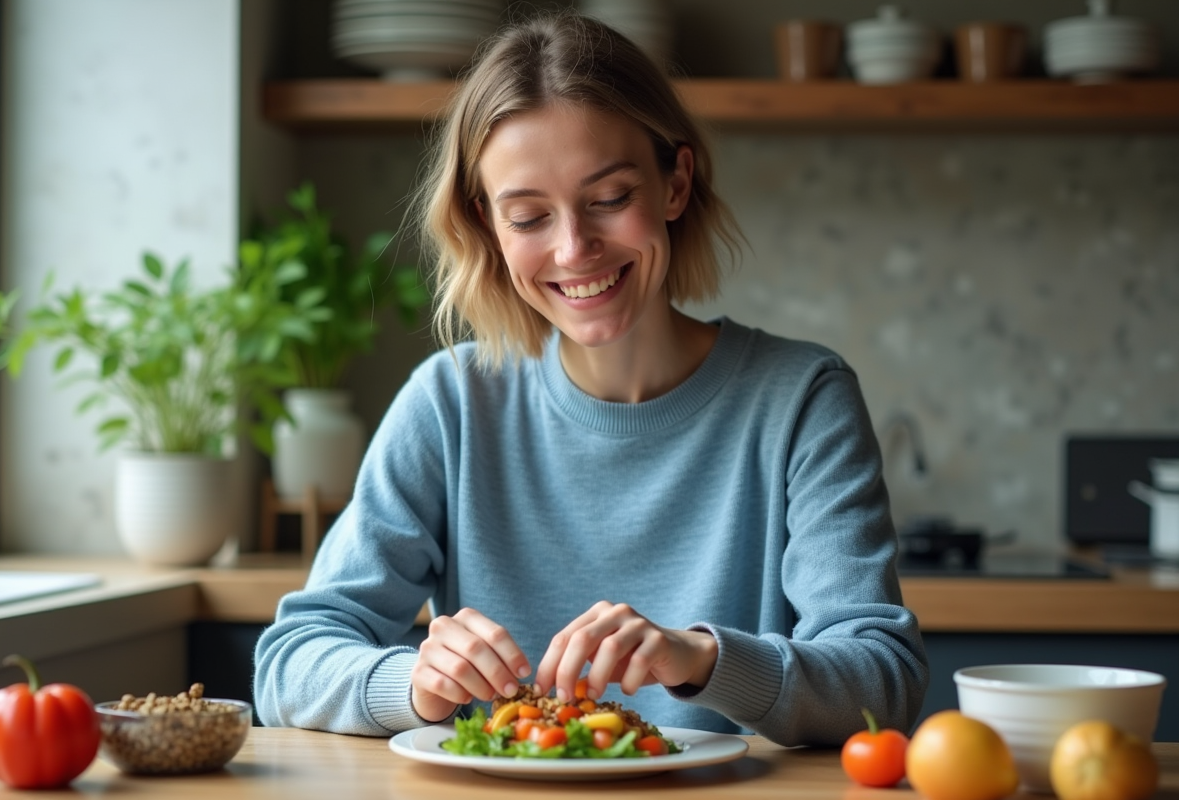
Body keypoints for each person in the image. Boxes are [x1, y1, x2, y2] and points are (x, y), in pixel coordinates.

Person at [253, 11, 928, 746]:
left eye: (609, 199)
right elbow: (288, 664)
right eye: (529, 215)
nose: (575, 249)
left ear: (674, 184)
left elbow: (881, 681)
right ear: (488, 226)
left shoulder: (802, 399)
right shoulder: (451, 402)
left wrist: (700, 659)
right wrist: (414, 684)